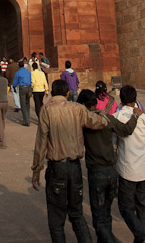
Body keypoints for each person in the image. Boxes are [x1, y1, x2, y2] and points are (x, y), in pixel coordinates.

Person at [31, 78, 109, 243]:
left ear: (52, 92)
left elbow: (41, 142)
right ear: (67, 93)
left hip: (56, 169)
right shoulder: (77, 108)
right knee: (77, 213)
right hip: (74, 168)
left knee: (56, 218)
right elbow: (97, 122)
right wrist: (104, 117)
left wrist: (36, 170)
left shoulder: (46, 110)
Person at [78, 88, 141, 243]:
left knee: (99, 217)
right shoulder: (107, 118)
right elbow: (126, 130)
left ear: (84, 105)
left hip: (96, 172)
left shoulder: (85, 122)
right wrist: (134, 116)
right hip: (111, 172)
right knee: (106, 212)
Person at [115, 85, 145, 243]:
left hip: (127, 170)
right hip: (144, 170)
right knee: (142, 207)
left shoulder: (117, 117)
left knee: (126, 207)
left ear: (121, 99)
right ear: (135, 99)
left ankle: (142, 237)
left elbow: (114, 145)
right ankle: (143, 237)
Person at [12, 59, 32, 126]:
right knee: (27, 103)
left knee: (23, 104)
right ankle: (28, 118)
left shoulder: (18, 73)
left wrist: (14, 88)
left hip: (22, 88)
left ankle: (26, 120)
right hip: (28, 87)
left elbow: (15, 83)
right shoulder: (28, 72)